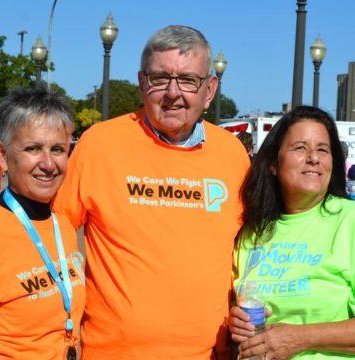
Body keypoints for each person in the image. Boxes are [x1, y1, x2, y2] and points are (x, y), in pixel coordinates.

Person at [54, 25, 250, 359]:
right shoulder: (99, 144)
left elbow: (250, 249)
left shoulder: (233, 156)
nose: (173, 93)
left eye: (188, 80)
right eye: (160, 78)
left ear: (210, 89)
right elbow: (52, 232)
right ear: (143, 83)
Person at [228, 106, 355, 359]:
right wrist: (236, 322)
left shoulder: (349, 220)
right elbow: (241, 306)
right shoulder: (251, 232)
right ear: (273, 163)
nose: (313, 158)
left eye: (323, 149)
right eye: (300, 148)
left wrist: (298, 338)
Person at [0, 85, 86, 359]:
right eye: (33, 148)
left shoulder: (64, 225)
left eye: (58, 149)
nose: (48, 164)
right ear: (2, 155)